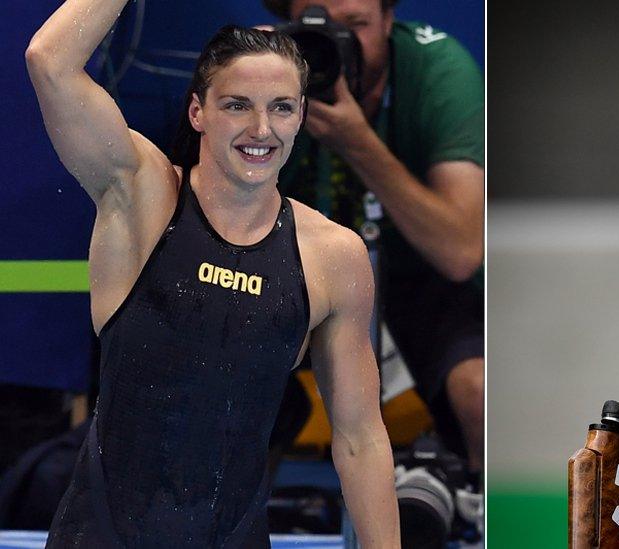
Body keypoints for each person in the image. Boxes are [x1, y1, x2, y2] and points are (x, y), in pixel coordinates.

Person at [25, 0, 399, 547]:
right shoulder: (143, 196)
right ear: (198, 111)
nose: (261, 129)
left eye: (282, 108)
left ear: (302, 114)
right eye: (237, 105)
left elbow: (361, 440)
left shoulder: (331, 256)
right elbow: (49, 59)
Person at [263, 0, 485, 481]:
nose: (337, 44)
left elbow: (462, 252)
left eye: (356, 24)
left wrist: (356, 140)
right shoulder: (259, 69)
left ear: (389, 20)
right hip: (290, 274)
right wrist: (247, 86)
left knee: (481, 391)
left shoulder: (437, 68)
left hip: (418, 275)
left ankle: (468, 505)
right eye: (315, 27)